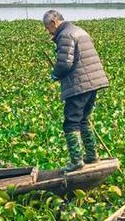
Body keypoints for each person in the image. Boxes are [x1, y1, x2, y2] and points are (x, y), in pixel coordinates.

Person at [43, 10, 109, 172]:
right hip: (93, 82)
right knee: (84, 119)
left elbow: (65, 63)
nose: (47, 31)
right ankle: (92, 155)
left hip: (80, 84)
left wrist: (55, 74)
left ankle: (76, 160)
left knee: (71, 121)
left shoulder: (65, 35)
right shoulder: (79, 30)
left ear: (55, 22)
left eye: (47, 27)